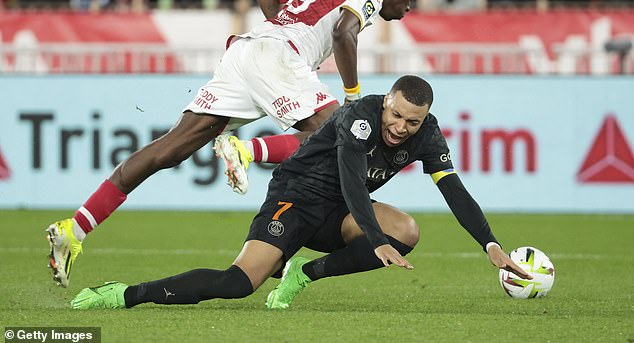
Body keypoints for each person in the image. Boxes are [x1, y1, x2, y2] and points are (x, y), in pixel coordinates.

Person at [46, 0, 431, 288]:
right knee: (345, 132)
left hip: (248, 51)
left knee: (168, 151)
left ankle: (74, 229)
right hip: (277, 57)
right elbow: (345, 33)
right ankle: (245, 154)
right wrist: (352, 97)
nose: (408, 7)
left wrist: (281, 30)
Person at [68, 75, 532, 310]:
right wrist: (374, 238)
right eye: (397, 116)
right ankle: (124, 294)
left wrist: (489, 243)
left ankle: (303, 274)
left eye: (412, 122)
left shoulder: (427, 135)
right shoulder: (361, 115)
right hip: (297, 196)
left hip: (340, 212)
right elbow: (351, 180)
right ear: (387, 101)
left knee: (407, 230)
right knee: (237, 284)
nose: (401, 128)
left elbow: (454, 190)